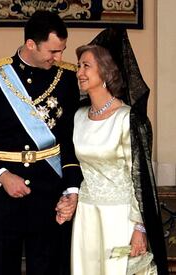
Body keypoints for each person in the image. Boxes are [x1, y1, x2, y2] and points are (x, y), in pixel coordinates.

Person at [0, 10, 83, 275]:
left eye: (62, 50)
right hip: (2, 200)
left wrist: (72, 188)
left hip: (50, 194)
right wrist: (2, 176)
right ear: (30, 44)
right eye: (53, 51)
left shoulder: (67, 78)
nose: (59, 58)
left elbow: (71, 140)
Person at [71, 30, 168, 275]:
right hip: (86, 216)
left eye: (86, 66)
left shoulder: (129, 119)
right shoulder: (78, 116)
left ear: (105, 71)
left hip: (120, 218)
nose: (79, 72)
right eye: (79, 66)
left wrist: (140, 229)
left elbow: (139, 177)